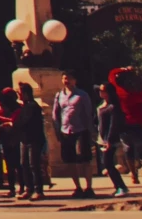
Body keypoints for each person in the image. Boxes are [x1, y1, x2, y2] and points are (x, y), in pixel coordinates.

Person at [112, 68, 142, 184]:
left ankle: (134, 175)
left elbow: (111, 74)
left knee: (128, 149)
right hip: (136, 124)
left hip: (123, 124)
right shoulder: (132, 95)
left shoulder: (117, 92)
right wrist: (140, 80)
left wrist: (123, 69)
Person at [55, 70, 97, 198]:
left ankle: (89, 187)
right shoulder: (59, 95)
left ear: (74, 80)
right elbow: (56, 114)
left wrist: (90, 131)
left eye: (69, 78)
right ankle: (77, 187)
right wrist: (57, 130)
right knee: (70, 160)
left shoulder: (82, 95)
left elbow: (88, 113)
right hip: (65, 130)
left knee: (84, 159)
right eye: (64, 78)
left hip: (81, 130)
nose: (66, 81)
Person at [97, 78, 131, 197]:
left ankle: (121, 186)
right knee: (106, 163)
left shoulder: (113, 107)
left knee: (108, 163)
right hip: (102, 138)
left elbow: (113, 124)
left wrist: (109, 140)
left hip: (110, 139)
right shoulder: (102, 105)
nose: (100, 93)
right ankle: (118, 186)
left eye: (102, 91)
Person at [15, 81, 50, 198]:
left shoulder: (33, 106)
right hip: (24, 140)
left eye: (19, 92)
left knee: (34, 165)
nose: (18, 95)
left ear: (25, 93)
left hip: (34, 140)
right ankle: (28, 188)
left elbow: (25, 122)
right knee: (24, 164)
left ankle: (38, 190)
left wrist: (13, 124)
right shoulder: (24, 106)